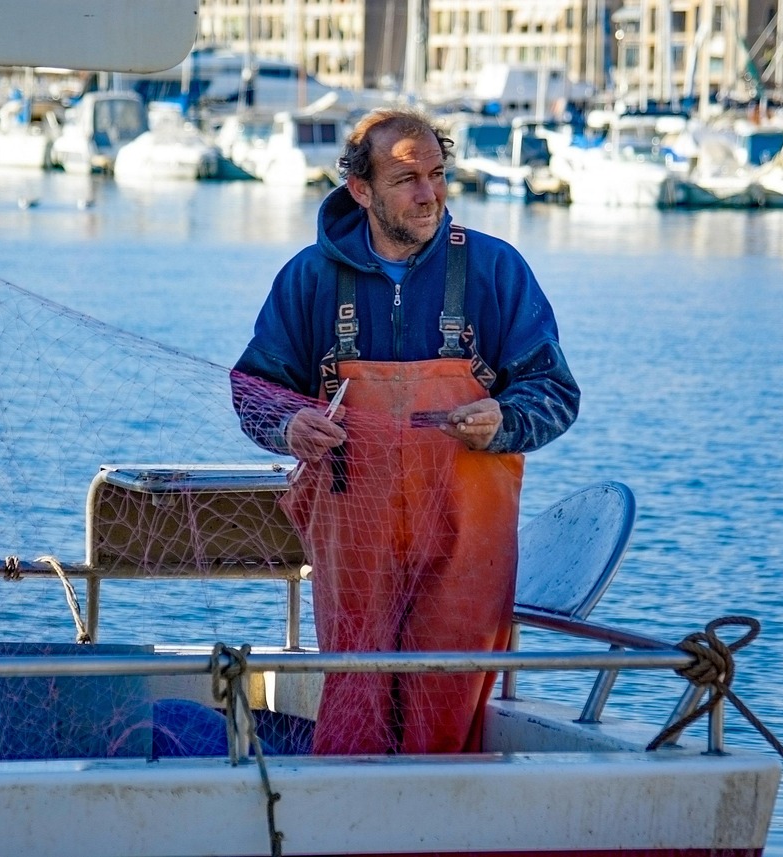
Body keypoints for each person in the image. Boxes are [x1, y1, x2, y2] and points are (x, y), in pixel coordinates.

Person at [230, 107, 580, 755]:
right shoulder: (308, 279)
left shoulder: (495, 270)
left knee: (447, 700)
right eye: (407, 179)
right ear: (361, 190)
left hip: (465, 538)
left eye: (437, 174)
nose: (429, 193)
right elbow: (255, 389)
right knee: (354, 688)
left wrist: (506, 420)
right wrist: (288, 424)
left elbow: (555, 393)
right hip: (352, 541)